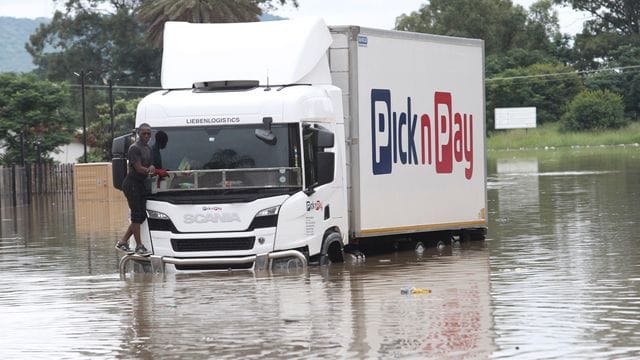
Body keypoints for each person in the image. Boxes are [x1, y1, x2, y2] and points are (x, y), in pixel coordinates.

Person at [115, 123, 155, 256]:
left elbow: (150, 165)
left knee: (142, 215)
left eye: (149, 133)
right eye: (144, 133)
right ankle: (139, 246)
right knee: (136, 214)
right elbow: (138, 168)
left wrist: (153, 168)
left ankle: (123, 242)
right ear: (138, 133)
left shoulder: (148, 148)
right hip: (131, 184)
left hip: (141, 184)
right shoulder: (134, 148)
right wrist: (148, 171)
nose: (146, 136)